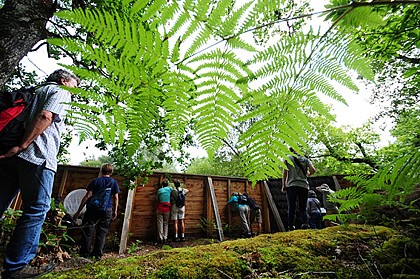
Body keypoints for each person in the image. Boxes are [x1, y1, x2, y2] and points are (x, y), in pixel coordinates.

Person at [0, 69, 79, 278]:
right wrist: (24, 145)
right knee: (37, 209)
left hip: (11, 157)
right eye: (74, 85)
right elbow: (46, 116)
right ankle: (16, 267)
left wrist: (16, 147)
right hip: (37, 156)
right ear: (64, 80)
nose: (75, 92)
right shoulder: (60, 92)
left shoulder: (36, 91)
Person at [73, 163, 120, 259]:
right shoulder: (113, 182)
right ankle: (97, 255)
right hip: (107, 209)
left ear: (101, 171)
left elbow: (88, 196)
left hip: (92, 209)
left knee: (88, 230)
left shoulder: (95, 181)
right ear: (111, 172)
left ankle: (84, 254)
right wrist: (115, 211)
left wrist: (78, 211)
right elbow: (115, 198)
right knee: (102, 232)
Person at [282, 147, 316, 231]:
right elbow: (313, 170)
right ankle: (304, 223)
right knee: (302, 207)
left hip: (291, 185)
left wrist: (283, 185)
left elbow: (284, 172)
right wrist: (307, 175)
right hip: (303, 186)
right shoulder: (306, 159)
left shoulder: (287, 158)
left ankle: (291, 226)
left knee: (291, 207)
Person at [156, 180, 172, 244]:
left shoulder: (159, 190)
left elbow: (157, 199)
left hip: (160, 208)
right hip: (167, 208)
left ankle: (160, 237)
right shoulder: (169, 189)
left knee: (160, 223)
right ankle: (165, 237)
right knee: (166, 223)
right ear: (167, 184)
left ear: (162, 185)